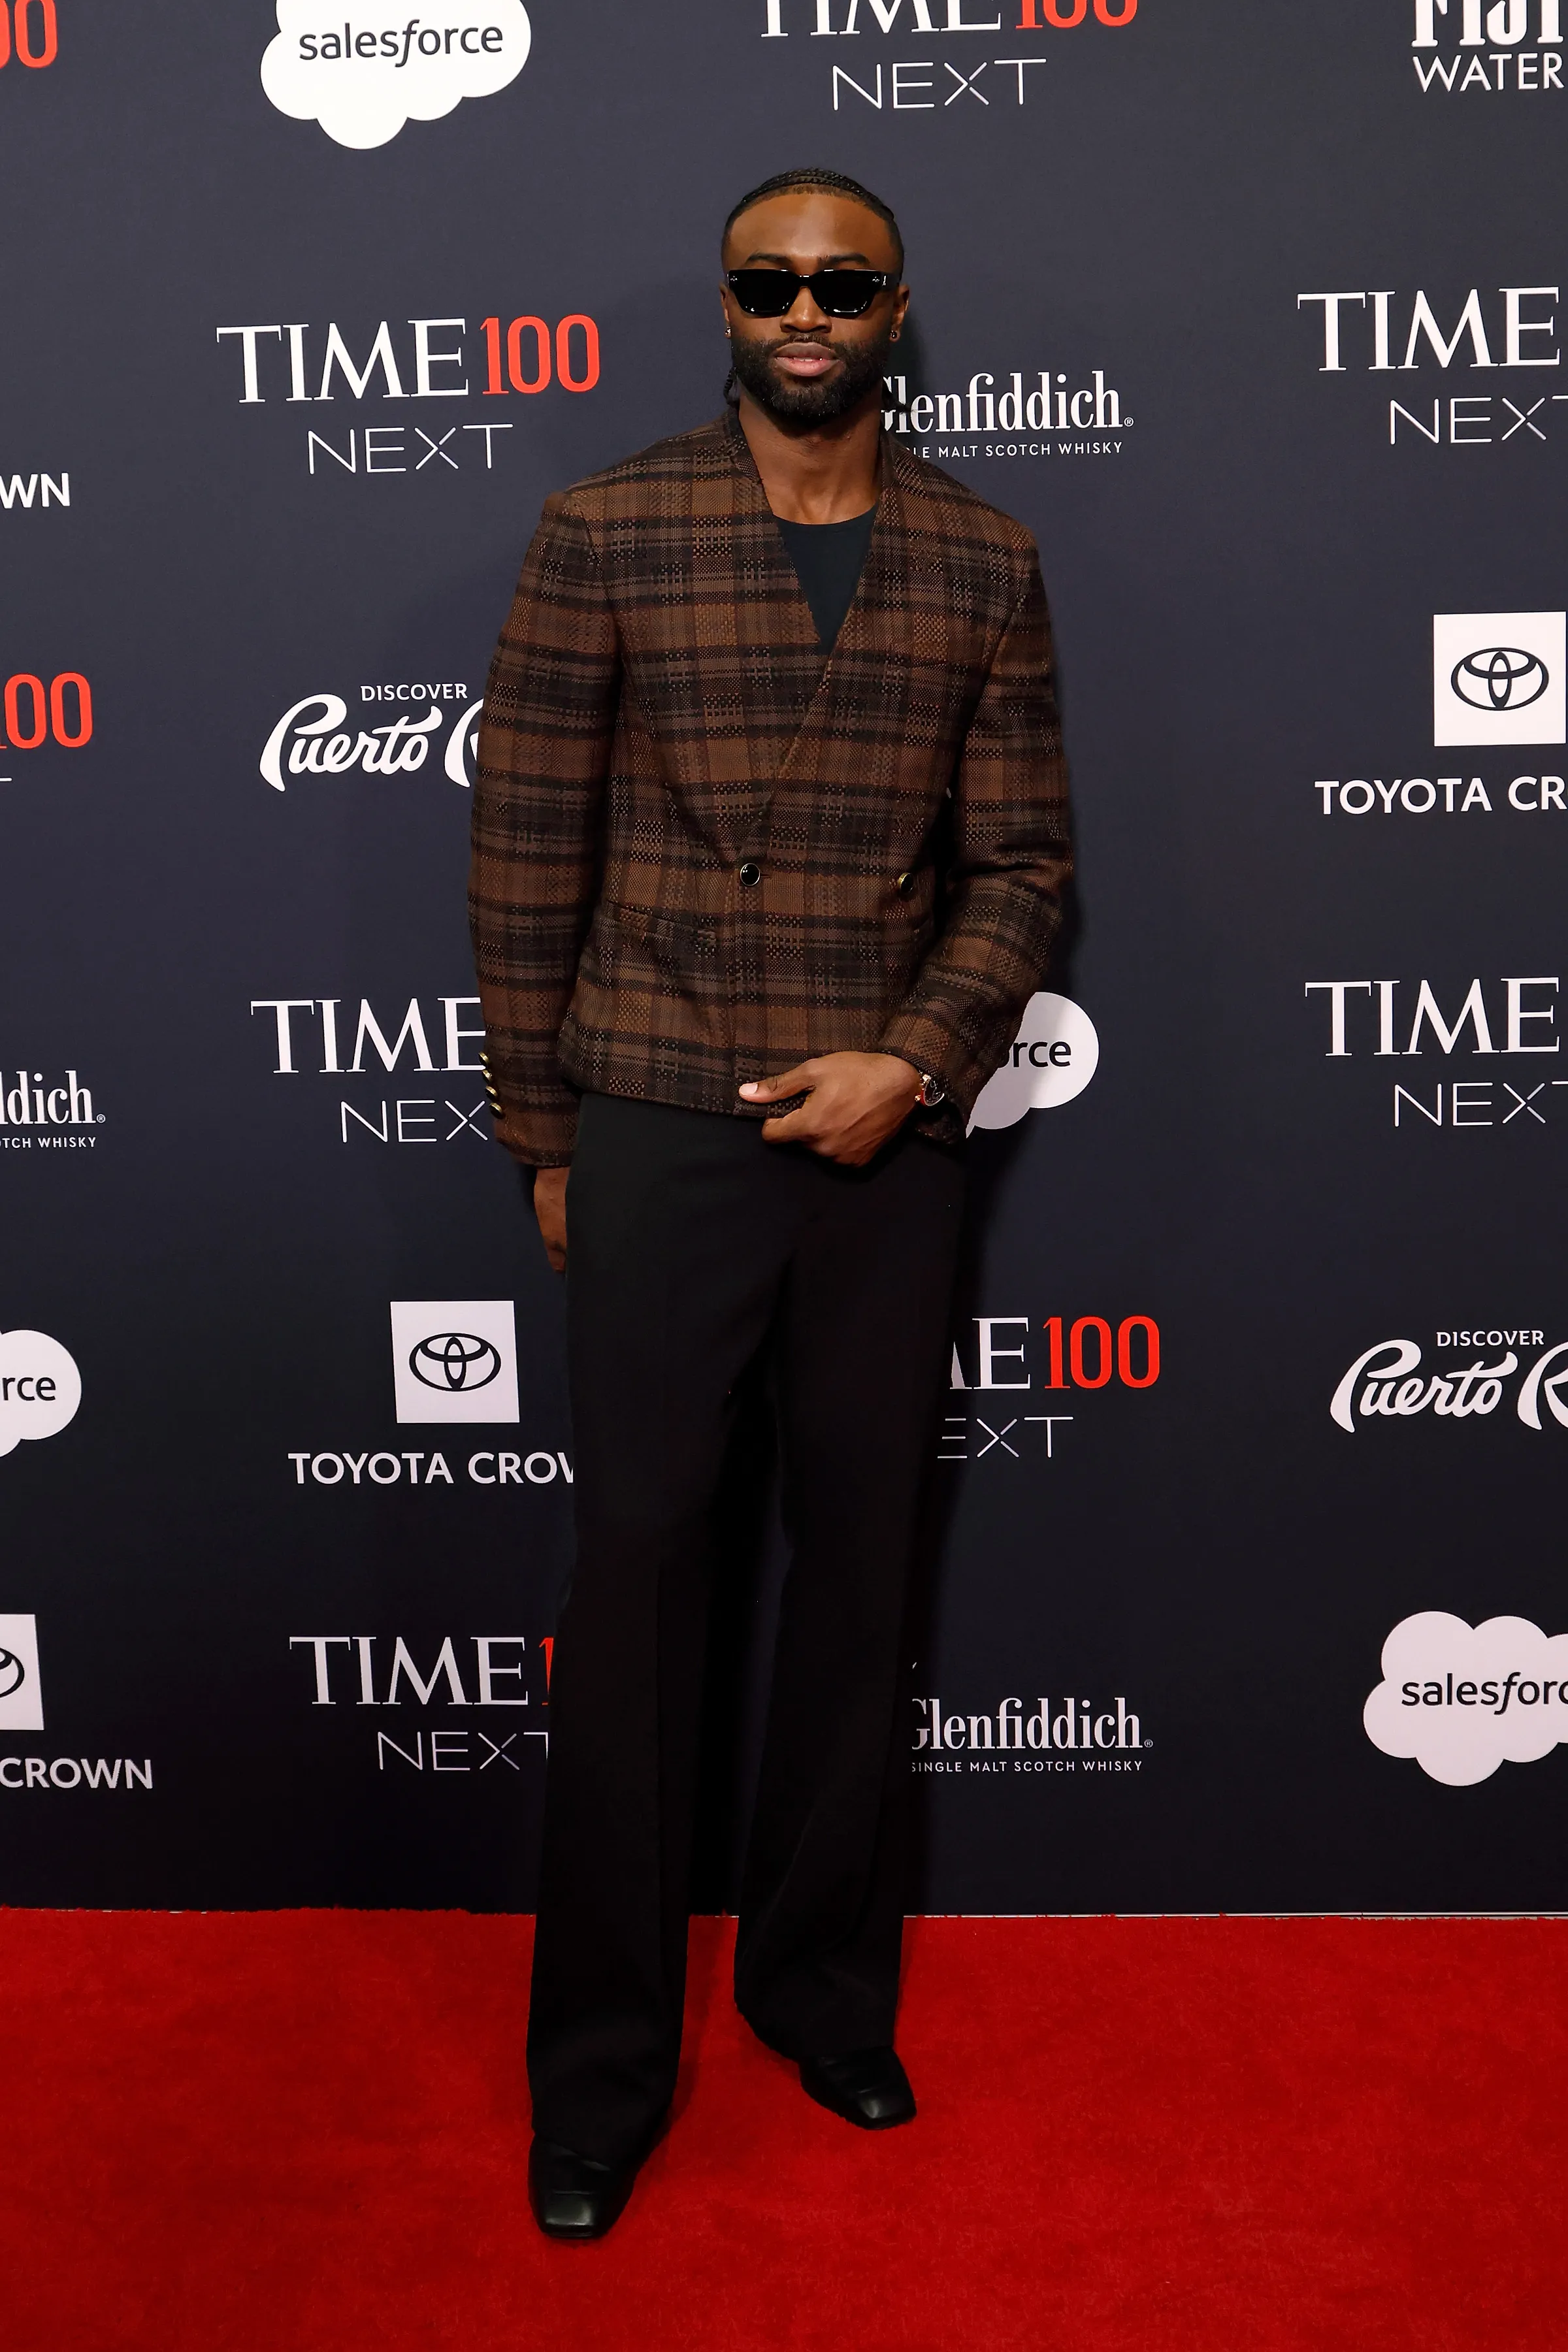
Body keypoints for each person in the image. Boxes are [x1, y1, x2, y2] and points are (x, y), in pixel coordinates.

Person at [470, 165, 1072, 2241]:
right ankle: (600, 2072)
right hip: (656, 1109)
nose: (805, 311)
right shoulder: (608, 526)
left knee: (861, 1576)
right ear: (728, 304)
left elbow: (1023, 870)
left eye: (843, 282)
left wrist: (916, 1059)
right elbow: (526, 847)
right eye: (770, 281)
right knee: (641, 1582)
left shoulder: (984, 559)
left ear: (896, 308)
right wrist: (544, 1136)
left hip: (881, 1136)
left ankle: (822, 1993)